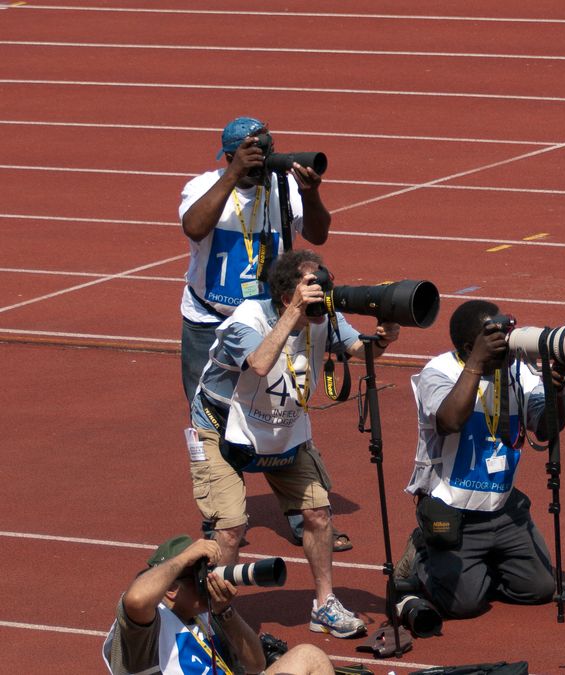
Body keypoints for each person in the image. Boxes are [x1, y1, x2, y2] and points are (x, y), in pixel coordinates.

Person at [189, 250, 399, 638]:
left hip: (283, 428)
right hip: (222, 428)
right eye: (312, 285)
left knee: (318, 514)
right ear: (288, 296)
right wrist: (295, 314)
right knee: (231, 528)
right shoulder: (245, 321)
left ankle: (325, 605)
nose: (323, 291)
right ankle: (217, 614)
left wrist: (383, 339)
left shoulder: (325, 317)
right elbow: (260, 363)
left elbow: (359, 350)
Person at [179, 116, 346, 552]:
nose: (258, 164)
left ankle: (299, 509)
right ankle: (223, 514)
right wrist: (233, 177)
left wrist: (311, 193)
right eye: (246, 157)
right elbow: (195, 228)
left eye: (261, 155)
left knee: (283, 401)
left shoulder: (281, 187)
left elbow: (319, 233)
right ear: (228, 157)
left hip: (272, 317)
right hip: (211, 317)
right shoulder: (203, 185)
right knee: (214, 416)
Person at [403, 300, 565, 619]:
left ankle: (478, 567)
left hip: (502, 507)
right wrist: (477, 365)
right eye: (494, 342)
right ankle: (422, 555)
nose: (505, 349)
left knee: (539, 589)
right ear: (471, 347)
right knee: (463, 606)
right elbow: (449, 421)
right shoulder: (439, 370)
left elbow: (547, 427)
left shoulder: (518, 371)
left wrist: (558, 392)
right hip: (454, 508)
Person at [103, 534, 334, 675]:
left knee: (309, 656)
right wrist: (185, 558)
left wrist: (226, 612)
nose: (209, 580)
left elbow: (256, 664)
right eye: (198, 577)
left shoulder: (206, 615)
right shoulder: (147, 628)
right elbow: (135, 599)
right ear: (171, 589)